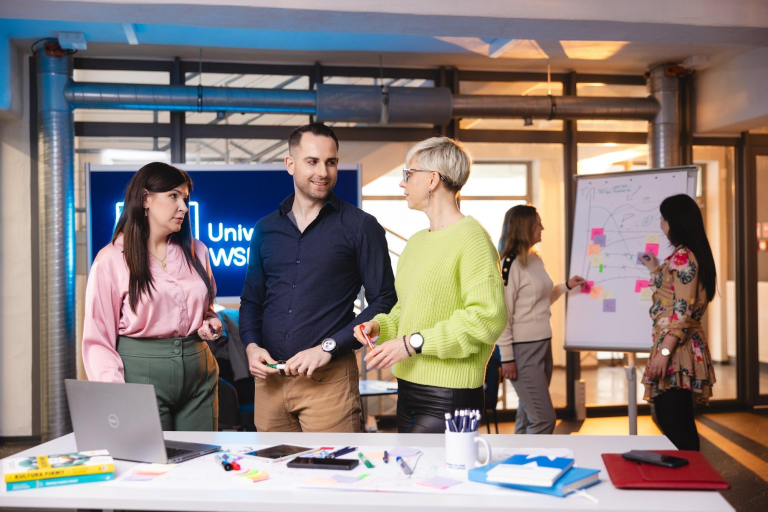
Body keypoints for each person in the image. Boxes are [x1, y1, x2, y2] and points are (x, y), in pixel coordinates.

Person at [240, 123, 396, 433]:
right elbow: (252, 300)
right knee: (273, 477)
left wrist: (327, 347)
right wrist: (251, 346)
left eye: (331, 162)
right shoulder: (265, 229)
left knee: (332, 478)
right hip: (270, 384)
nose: (323, 171)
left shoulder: (361, 227)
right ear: (291, 164)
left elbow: (384, 300)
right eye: (312, 161)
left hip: (330, 386)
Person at [354, 136, 507, 433]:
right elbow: (407, 309)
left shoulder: (473, 239)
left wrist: (412, 343)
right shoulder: (416, 242)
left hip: (450, 396)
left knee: (435, 478)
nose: (403, 183)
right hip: (409, 388)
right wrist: (380, 326)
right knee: (413, 478)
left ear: (433, 179)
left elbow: (487, 319)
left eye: (408, 174)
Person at [83, 162, 221, 431]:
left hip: (199, 373)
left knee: (201, 462)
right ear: (146, 199)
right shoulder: (111, 259)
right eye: (174, 196)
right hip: (140, 376)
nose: (183, 206)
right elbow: (98, 340)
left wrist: (210, 323)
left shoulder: (198, 251)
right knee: (152, 466)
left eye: (185, 198)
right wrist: (115, 396)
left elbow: (207, 310)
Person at [496, 205, 585, 435]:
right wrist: (506, 359)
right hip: (522, 351)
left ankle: (518, 465)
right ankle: (533, 467)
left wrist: (566, 286)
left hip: (543, 345)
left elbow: (541, 298)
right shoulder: (509, 264)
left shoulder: (534, 259)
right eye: (538, 223)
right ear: (525, 227)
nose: (542, 227)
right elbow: (502, 314)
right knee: (544, 419)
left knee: (528, 414)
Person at [640, 194, 716, 451]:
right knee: (678, 422)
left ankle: (691, 483)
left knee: (675, 425)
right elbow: (676, 296)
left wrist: (663, 352)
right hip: (678, 346)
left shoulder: (684, 256)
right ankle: (690, 481)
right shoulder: (689, 254)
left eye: (663, 218)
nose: (661, 224)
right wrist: (656, 270)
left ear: (673, 222)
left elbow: (681, 311)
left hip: (675, 349)